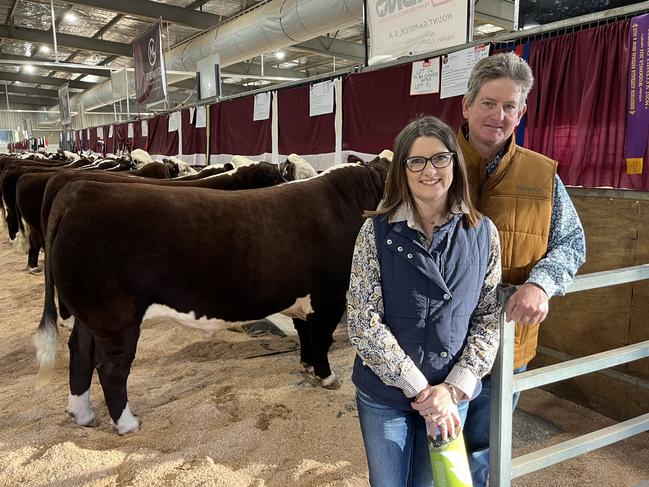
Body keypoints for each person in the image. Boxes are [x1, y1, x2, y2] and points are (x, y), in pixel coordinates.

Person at [347, 115, 502, 487]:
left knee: (432, 483)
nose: (428, 170)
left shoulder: (484, 234)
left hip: (451, 393)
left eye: (439, 158)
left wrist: (451, 390)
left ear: (454, 163)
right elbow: (362, 320)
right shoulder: (376, 232)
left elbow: (488, 319)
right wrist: (420, 389)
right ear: (402, 169)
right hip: (386, 394)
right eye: (415, 161)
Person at [458, 52, 586, 486]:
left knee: (484, 446)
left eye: (509, 106)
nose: (498, 115)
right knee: (430, 442)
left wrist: (541, 283)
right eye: (489, 103)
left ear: (522, 112)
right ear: (467, 104)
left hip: (505, 344)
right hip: (436, 343)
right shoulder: (430, 164)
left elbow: (572, 243)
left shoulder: (542, 175)